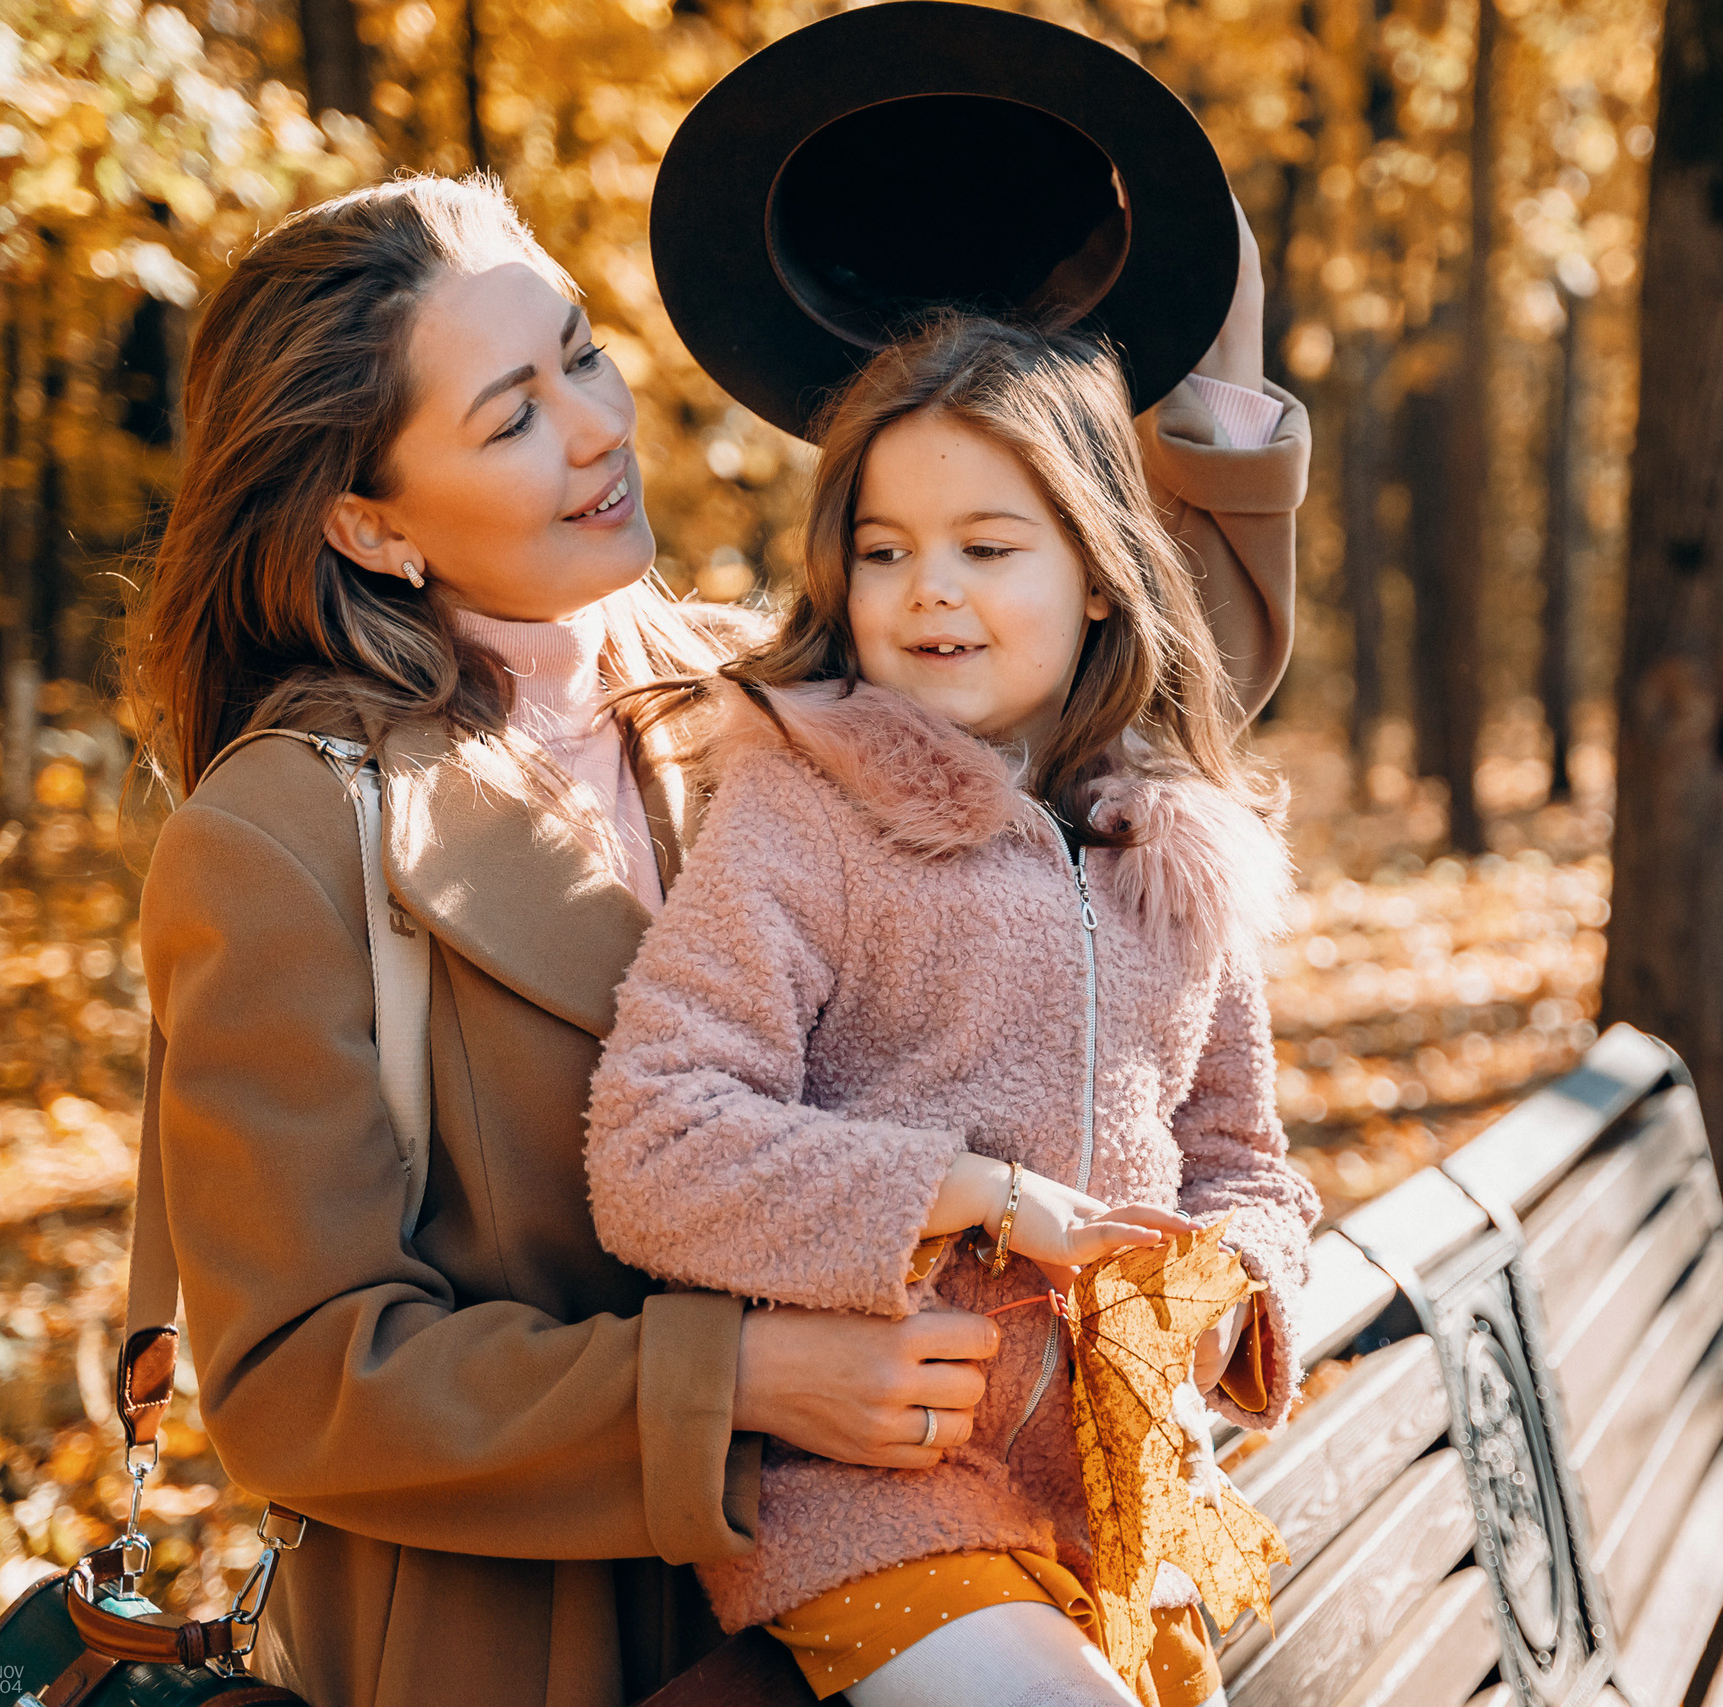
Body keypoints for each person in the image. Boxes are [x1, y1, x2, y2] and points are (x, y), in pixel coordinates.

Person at [126, 174, 1309, 1706]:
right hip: (558, 1648)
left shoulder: (748, 683)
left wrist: (1214, 385)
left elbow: (1086, 641)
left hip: (925, 1560)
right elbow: (298, 1384)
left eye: (582, 355)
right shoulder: (283, 835)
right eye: (511, 419)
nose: (601, 428)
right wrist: (735, 1386)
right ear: (368, 518)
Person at [581, 312, 1322, 1707]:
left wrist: (1232, 1292)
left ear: (1102, 574)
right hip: (880, 1498)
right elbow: (651, 1146)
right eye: (885, 550)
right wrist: (978, 1197)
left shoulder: (1170, 845)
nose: (930, 594)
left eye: (988, 548)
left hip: (1113, 1508)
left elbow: (1245, 1162)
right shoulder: (807, 815)